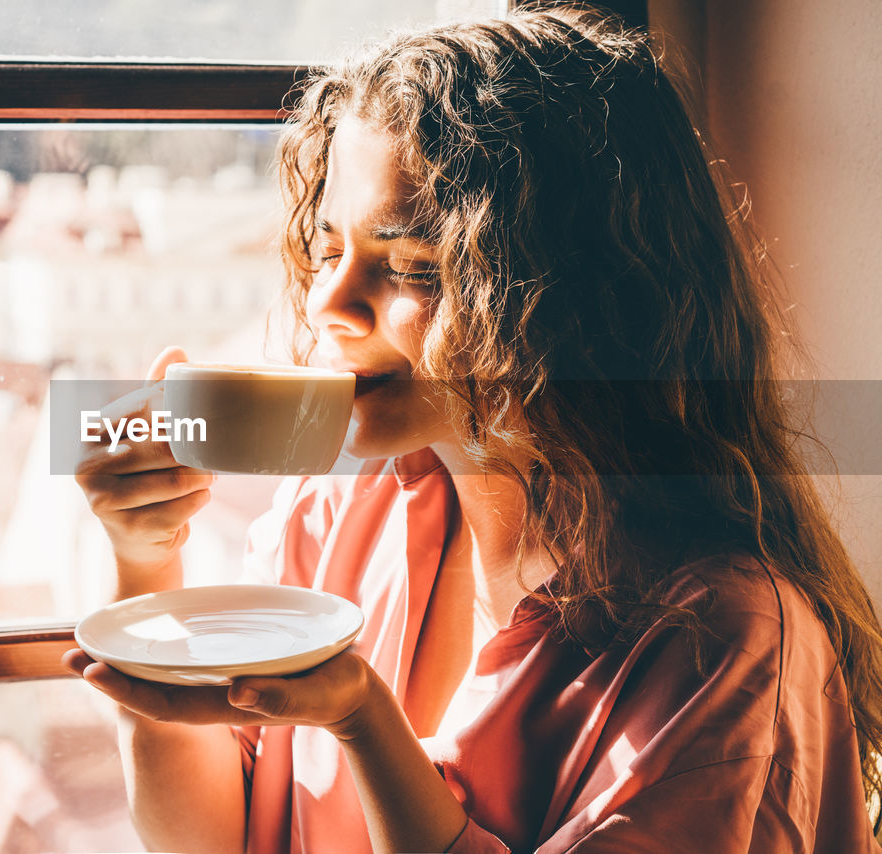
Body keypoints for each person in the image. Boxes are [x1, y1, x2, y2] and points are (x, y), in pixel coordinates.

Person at [65, 4, 882, 852]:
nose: (327, 305)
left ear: (571, 295)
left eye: (412, 266)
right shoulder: (341, 512)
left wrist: (361, 720)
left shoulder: (719, 638)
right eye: (324, 250)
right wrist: (148, 553)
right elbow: (212, 838)